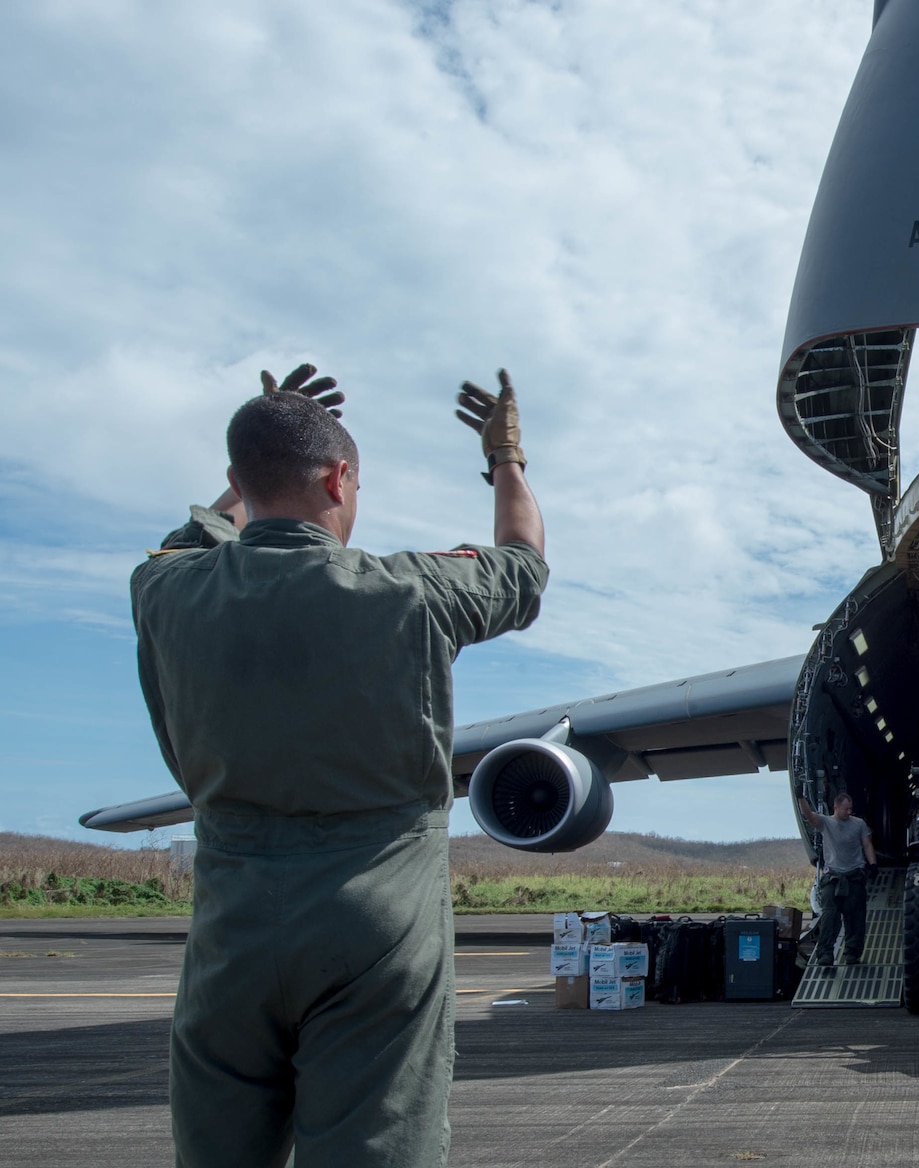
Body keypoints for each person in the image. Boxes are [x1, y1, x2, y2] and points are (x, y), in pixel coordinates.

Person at [132, 364, 547, 1166]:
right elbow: (523, 567)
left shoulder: (163, 588)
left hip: (230, 936)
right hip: (376, 932)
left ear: (237, 484)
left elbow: (199, 533)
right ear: (340, 477)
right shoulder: (412, 592)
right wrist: (507, 459)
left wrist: (264, 444)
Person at [799, 792, 878, 965]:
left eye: (851, 808)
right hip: (833, 877)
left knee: (856, 918)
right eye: (845, 809)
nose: (849, 812)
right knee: (829, 916)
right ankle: (825, 953)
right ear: (836, 808)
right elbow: (809, 815)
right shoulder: (826, 823)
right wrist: (801, 798)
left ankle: (852, 953)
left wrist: (872, 864)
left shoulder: (859, 824)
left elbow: (867, 844)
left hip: (854, 876)